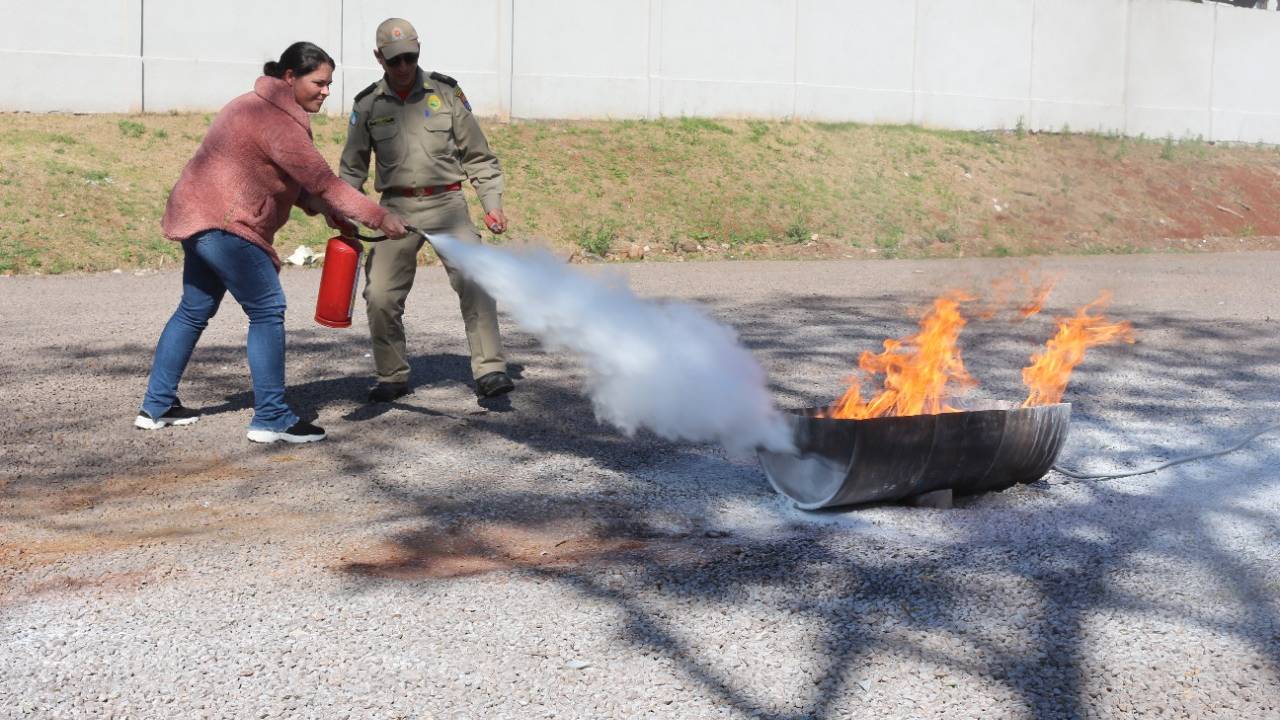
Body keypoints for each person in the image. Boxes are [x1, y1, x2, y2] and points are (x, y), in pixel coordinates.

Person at [136, 41, 409, 443]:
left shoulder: (249, 104)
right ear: (289, 77)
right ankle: (271, 417)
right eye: (319, 82)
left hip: (196, 218)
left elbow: (285, 178)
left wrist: (324, 209)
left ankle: (156, 405)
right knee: (267, 309)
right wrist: (381, 218)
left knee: (194, 310)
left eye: (330, 84)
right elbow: (326, 183)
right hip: (228, 227)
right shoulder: (279, 121)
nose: (326, 91)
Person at [340, 17, 515, 404]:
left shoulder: (447, 93)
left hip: (447, 204)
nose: (403, 67)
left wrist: (492, 205)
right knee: (380, 294)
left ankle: (490, 370)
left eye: (409, 57)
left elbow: (479, 157)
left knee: (476, 279)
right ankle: (392, 375)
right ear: (378, 58)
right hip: (395, 209)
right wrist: (346, 214)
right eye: (393, 60)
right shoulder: (368, 104)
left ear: (418, 51)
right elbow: (351, 168)